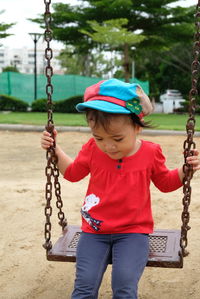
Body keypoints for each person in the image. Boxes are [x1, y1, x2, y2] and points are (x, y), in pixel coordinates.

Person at [41, 79, 200, 299]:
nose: (108, 146)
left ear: (137, 127)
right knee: (84, 287)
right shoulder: (92, 150)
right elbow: (73, 173)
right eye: (99, 138)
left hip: (133, 233)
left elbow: (165, 183)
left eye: (117, 138)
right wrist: (54, 150)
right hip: (94, 231)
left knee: (124, 286)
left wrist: (185, 170)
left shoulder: (151, 152)